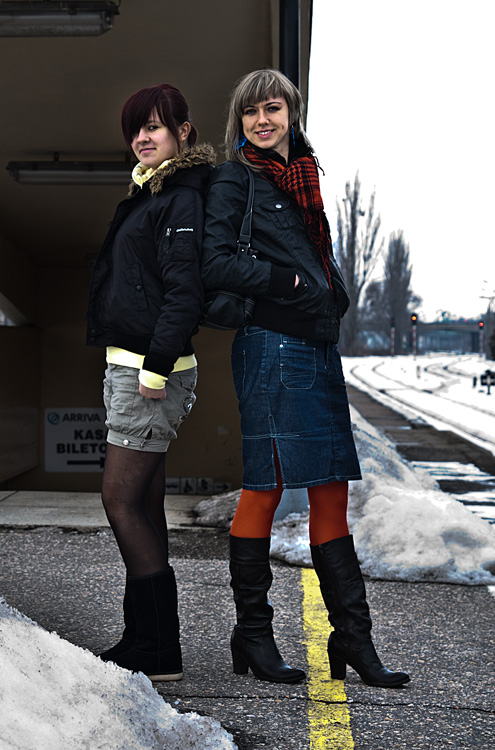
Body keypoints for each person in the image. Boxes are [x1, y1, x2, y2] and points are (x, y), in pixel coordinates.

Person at [201, 69, 409, 688]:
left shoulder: (304, 177)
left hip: (317, 347)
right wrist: (287, 281)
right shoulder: (236, 178)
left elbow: (314, 255)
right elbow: (215, 261)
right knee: (265, 487)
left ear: (292, 113)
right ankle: (253, 633)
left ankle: (352, 638)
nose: (262, 120)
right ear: (239, 122)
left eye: (272, 108)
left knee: (331, 490)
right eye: (250, 112)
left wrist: (328, 289)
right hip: (270, 345)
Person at [86, 84, 215, 681]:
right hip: (134, 365)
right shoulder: (152, 192)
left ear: (183, 132)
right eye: (136, 128)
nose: (142, 137)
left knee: (119, 499)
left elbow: (184, 292)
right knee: (143, 502)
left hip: (148, 371)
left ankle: (159, 650)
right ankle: (145, 640)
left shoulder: (178, 199)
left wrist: (156, 367)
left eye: (155, 126)